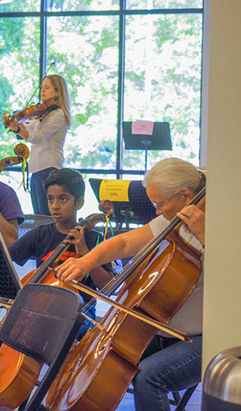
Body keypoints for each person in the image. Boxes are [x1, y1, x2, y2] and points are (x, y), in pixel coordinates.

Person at [56, 158, 205, 411]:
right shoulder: (174, 218)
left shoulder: (221, 224)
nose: (157, 211)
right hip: (159, 330)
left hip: (202, 339)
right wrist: (86, 262)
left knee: (148, 377)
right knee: (99, 358)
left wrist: (205, 234)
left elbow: (238, 275)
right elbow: (124, 243)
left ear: (185, 195)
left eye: (159, 204)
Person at [8, 168, 115, 337]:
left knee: (62, 331)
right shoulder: (40, 234)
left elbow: (107, 287)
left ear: (78, 203)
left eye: (63, 199)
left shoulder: (95, 239)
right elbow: (6, 259)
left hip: (81, 309)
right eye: (50, 199)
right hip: (42, 305)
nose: (55, 206)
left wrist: (85, 252)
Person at [3, 74, 71, 216]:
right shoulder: (43, 114)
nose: (42, 91)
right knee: (39, 216)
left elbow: (36, 137)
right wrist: (15, 123)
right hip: (38, 171)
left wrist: (17, 128)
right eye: (42, 88)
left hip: (50, 170)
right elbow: (28, 128)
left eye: (47, 87)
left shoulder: (57, 115)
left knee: (46, 217)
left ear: (58, 92)